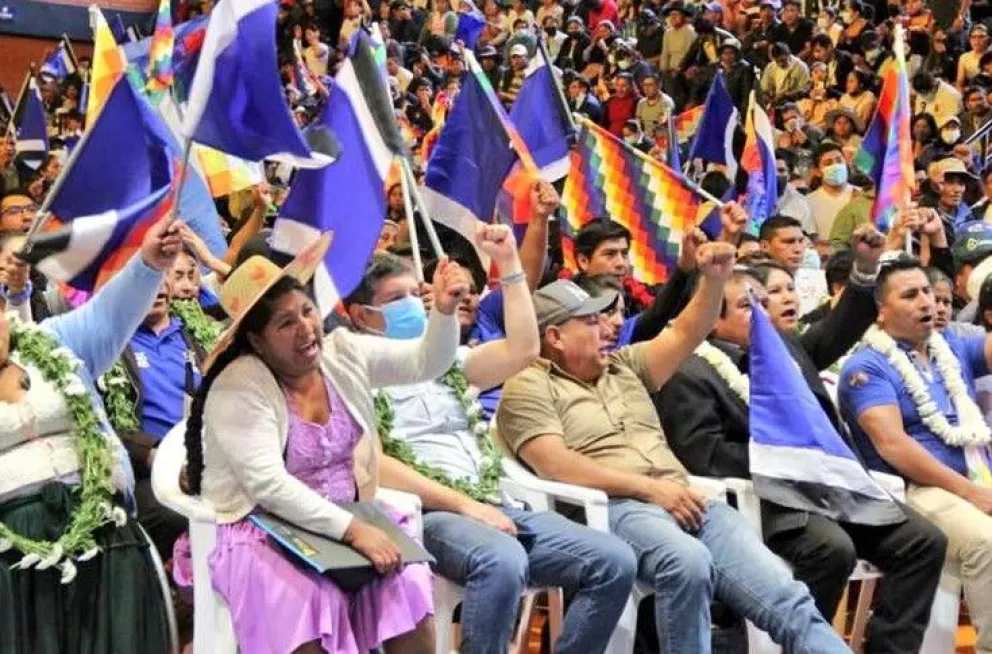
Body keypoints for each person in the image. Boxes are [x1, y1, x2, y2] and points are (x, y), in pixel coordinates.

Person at [496, 246, 851, 653]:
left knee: (785, 595)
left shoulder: (625, 366)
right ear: (555, 337)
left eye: (609, 316)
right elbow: (554, 463)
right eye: (592, 321)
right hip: (611, 507)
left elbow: (685, 332)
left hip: (685, 499)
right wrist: (648, 489)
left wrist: (715, 279)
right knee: (687, 562)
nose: (611, 326)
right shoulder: (528, 385)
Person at [346, 229, 638, 654]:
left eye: (417, 292)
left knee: (614, 561)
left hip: (494, 503)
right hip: (426, 515)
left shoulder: (446, 359)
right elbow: (378, 466)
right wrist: (466, 506)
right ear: (361, 316)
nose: (416, 303)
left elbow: (522, 349)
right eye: (398, 298)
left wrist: (510, 263)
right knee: (502, 560)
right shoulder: (353, 373)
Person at [183, 233, 471, 653]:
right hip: (263, 528)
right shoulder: (238, 385)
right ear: (257, 341)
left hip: (347, 518)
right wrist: (354, 532)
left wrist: (444, 313)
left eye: (307, 311)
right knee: (308, 599)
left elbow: (425, 363)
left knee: (405, 581)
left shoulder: (342, 352)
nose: (306, 328)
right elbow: (268, 486)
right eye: (285, 323)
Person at [657, 243, 948, 653]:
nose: (760, 313)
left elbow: (839, 328)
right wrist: (783, 459)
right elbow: (703, 454)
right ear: (710, 320)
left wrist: (865, 268)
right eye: (746, 306)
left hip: (834, 487)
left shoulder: (784, 347)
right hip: (771, 500)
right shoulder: (688, 371)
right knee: (831, 549)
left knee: (923, 541)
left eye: (762, 302)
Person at [0, 219, 183, 654]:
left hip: (105, 530)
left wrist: (149, 261)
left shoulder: (53, 340)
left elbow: (112, 313)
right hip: (13, 558)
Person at [839, 254, 992, 654]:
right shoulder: (866, 366)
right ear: (881, 311)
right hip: (914, 492)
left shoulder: (949, 347)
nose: (926, 302)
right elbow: (892, 445)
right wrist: (970, 492)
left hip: (975, 477)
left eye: (927, 291)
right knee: (986, 541)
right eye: (910, 295)